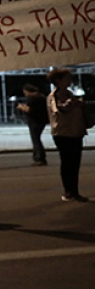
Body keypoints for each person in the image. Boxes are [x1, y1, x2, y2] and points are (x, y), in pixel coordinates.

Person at [47, 68, 87, 201]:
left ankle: (74, 191)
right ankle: (68, 191)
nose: (69, 80)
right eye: (66, 78)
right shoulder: (54, 96)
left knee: (75, 164)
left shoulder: (69, 93)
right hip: (63, 133)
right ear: (58, 81)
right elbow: (59, 109)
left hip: (75, 132)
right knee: (67, 163)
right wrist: (72, 103)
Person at [16, 84, 49, 166]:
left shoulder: (33, 98)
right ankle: (39, 157)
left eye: (25, 92)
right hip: (42, 120)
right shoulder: (42, 97)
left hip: (35, 121)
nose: (25, 94)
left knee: (36, 139)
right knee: (37, 139)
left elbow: (29, 109)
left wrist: (21, 107)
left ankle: (39, 157)